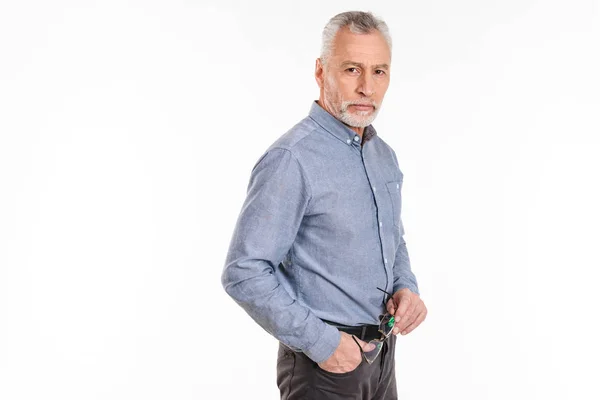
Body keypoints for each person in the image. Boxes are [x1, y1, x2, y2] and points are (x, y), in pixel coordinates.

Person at [221, 10, 427, 400]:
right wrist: (323, 343)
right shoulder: (292, 159)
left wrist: (406, 287)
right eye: (352, 69)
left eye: (379, 71)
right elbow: (244, 271)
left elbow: (392, 238)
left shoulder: (383, 155)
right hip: (324, 368)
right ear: (320, 71)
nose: (367, 87)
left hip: (382, 358)